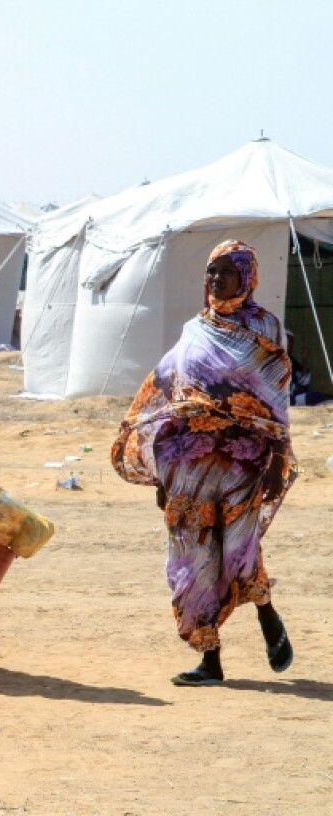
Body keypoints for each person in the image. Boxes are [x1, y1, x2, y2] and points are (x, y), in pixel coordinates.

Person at [112, 240, 296, 687]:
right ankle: (209, 658)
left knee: (238, 548)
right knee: (192, 554)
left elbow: (276, 400)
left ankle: (267, 614)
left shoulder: (263, 328)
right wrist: (160, 468)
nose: (215, 281)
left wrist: (276, 458)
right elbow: (166, 390)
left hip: (243, 460)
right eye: (210, 273)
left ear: (246, 277)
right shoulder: (195, 328)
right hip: (187, 462)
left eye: (224, 273)